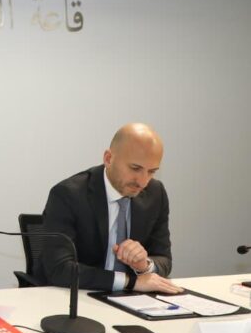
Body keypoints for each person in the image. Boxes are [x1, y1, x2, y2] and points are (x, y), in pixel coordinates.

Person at [41, 123, 182, 293]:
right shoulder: (68, 195)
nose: (143, 182)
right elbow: (59, 269)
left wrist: (144, 266)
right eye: (135, 168)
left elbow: (164, 259)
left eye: (151, 171)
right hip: (78, 294)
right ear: (108, 159)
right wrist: (130, 282)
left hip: (131, 299)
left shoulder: (155, 194)